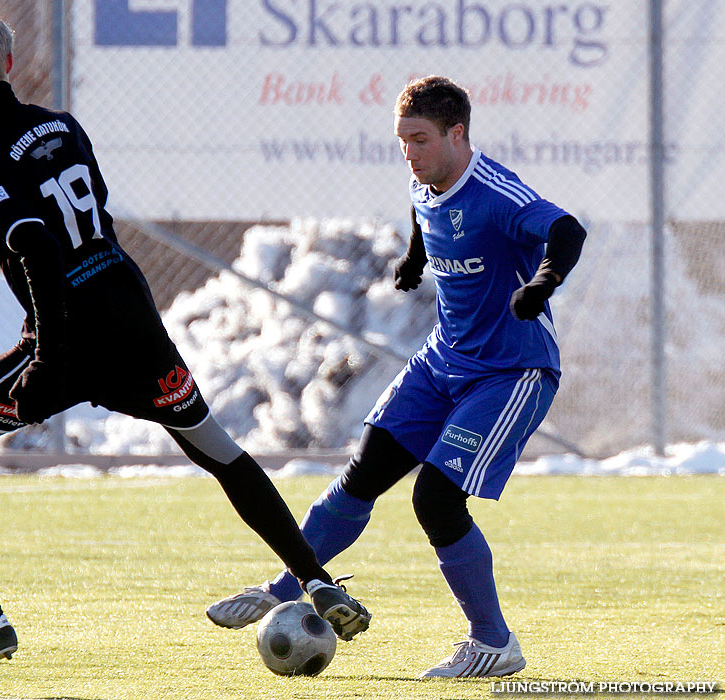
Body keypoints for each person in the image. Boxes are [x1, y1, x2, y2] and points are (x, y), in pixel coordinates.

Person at [0, 6, 370, 693]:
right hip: (131, 313)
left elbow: (34, 244)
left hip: (69, 337)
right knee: (214, 448)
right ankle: (314, 576)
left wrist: (47, 363)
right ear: (10, 63)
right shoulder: (64, 126)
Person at [206, 75, 587, 679]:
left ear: (457, 134)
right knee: (364, 473)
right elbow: (424, 208)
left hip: (511, 372)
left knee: (434, 498)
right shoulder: (426, 176)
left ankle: (494, 643)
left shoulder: (497, 192)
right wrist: (414, 259)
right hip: (443, 360)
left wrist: (541, 283)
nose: (408, 152)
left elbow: (567, 230)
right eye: (401, 139)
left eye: (419, 138)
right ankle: (285, 586)